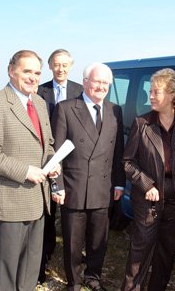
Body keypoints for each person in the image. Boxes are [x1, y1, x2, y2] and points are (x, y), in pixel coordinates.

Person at [0, 50, 61, 291]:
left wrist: (53, 162)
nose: (33, 78)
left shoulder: (40, 104)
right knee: (10, 269)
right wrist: (25, 171)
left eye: (37, 72)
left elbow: (48, 144)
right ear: (11, 70)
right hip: (11, 199)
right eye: (26, 71)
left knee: (31, 266)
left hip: (38, 200)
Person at [51, 62, 125, 291]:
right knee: (73, 242)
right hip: (74, 186)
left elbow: (118, 150)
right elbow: (56, 152)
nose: (101, 87)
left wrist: (120, 182)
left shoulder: (115, 110)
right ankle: (74, 282)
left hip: (103, 187)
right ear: (85, 82)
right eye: (97, 81)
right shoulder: (66, 108)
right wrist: (56, 185)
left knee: (98, 241)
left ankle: (93, 278)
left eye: (106, 83)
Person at [121, 68, 175, 291]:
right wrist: (146, 184)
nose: (150, 95)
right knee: (139, 254)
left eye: (155, 92)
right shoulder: (142, 124)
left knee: (166, 254)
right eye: (150, 91)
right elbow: (127, 162)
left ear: (172, 94)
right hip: (148, 200)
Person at [36, 48, 83, 283]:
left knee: (71, 209)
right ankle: (44, 254)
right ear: (50, 66)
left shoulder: (80, 91)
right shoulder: (39, 90)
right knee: (47, 211)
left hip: (72, 159)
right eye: (56, 64)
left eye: (65, 64)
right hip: (47, 156)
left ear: (71, 65)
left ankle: (73, 254)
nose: (61, 69)